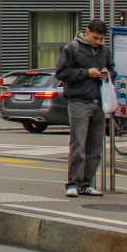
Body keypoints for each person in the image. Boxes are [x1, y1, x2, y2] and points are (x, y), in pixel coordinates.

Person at [54, 18, 114, 198]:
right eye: (95, 38)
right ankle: (73, 184)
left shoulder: (104, 50)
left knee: (95, 147)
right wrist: (87, 73)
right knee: (78, 146)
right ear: (86, 32)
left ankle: (86, 184)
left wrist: (107, 75)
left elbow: (113, 70)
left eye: (101, 39)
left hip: (99, 102)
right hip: (79, 101)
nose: (98, 42)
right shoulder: (72, 48)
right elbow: (61, 73)